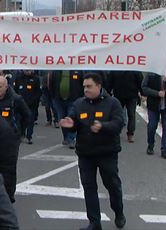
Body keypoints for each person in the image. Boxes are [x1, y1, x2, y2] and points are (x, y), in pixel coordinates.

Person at [60, 73, 126, 230]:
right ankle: (94, 222)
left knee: (112, 185)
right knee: (89, 188)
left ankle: (119, 212)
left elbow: (119, 123)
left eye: (89, 86)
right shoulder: (79, 104)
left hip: (107, 153)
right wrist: (69, 124)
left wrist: (103, 126)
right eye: (84, 86)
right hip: (86, 154)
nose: (85, 89)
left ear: (99, 86)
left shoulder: (112, 103)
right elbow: (74, 121)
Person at [142, 68, 166, 159]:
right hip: (153, 106)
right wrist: (157, 93)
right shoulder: (151, 74)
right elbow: (144, 88)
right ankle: (150, 145)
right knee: (152, 126)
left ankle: (165, 150)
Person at [49, 70, 85, 148]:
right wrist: (53, 97)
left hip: (73, 99)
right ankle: (66, 137)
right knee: (61, 118)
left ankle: (71, 139)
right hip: (58, 99)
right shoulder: (56, 71)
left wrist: (81, 98)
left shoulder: (78, 71)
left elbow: (82, 84)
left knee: (71, 117)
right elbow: (51, 84)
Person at [0, 76, 33, 141]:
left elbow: (27, 115)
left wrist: (19, 130)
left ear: (6, 87)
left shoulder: (15, 99)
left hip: (11, 138)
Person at [109, 71, 143, 143]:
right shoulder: (135, 69)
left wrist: (108, 92)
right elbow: (140, 81)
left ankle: (124, 133)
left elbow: (110, 81)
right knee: (130, 115)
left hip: (124, 95)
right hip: (128, 95)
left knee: (123, 115)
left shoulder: (116, 69)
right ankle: (129, 134)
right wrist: (142, 93)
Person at [13, 70, 42, 144]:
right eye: (26, 70)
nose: (28, 71)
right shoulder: (18, 78)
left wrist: (34, 102)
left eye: (29, 70)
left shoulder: (36, 79)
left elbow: (38, 93)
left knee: (30, 121)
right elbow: (15, 90)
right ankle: (21, 135)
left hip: (31, 105)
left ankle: (29, 137)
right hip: (19, 105)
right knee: (19, 120)